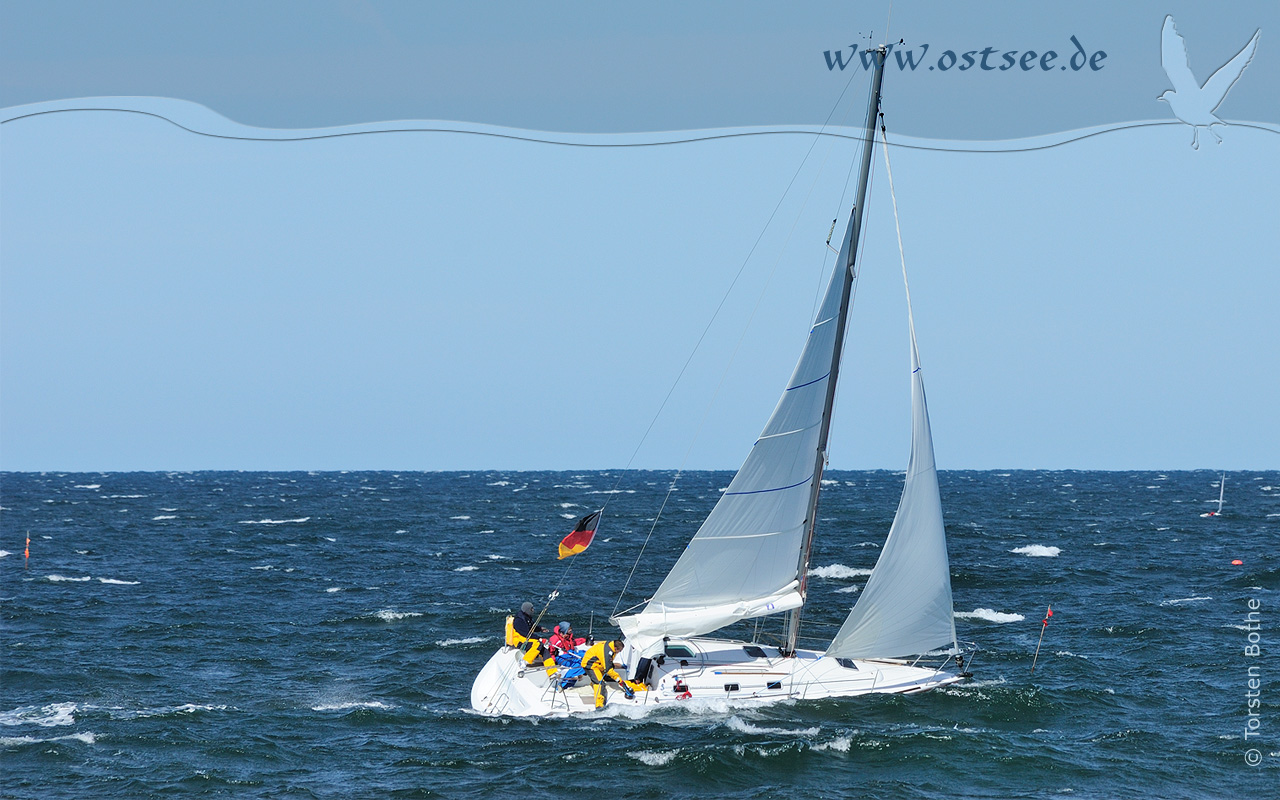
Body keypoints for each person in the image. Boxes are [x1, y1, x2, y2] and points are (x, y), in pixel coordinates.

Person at [582, 639, 628, 709]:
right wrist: (620, 681)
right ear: (616, 648)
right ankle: (599, 705)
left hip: (598, 663)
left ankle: (593, 682)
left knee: (603, 676)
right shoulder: (607, 653)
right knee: (600, 683)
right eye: (620, 651)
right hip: (590, 665)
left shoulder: (611, 646)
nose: (620, 652)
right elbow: (609, 670)